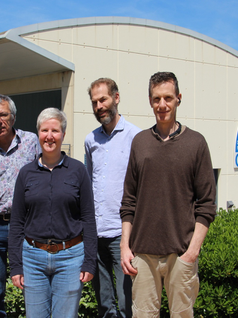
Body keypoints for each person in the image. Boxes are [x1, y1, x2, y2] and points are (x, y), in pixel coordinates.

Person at [120, 72, 217, 318]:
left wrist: (192, 252)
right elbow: (129, 200)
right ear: (150, 101)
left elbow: (206, 205)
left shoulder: (196, 143)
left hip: (181, 253)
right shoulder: (140, 142)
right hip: (142, 254)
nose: (162, 105)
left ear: (178, 99)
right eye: (156, 99)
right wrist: (125, 246)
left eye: (168, 98)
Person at [8, 108, 97, 318]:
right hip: (33, 258)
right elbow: (17, 222)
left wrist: (89, 261)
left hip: (71, 257)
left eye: (55, 131)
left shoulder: (78, 171)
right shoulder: (26, 173)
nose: (49, 136)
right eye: (44, 130)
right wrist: (16, 265)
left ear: (63, 134)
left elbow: (88, 219)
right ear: (38, 133)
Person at [0, 94, 40, 318]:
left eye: (3, 114)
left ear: (12, 117)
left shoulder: (31, 142)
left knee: (33, 287)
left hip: (26, 226)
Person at [84, 78, 140, 318]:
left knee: (128, 303)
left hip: (123, 235)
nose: (99, 106)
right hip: (96, 234)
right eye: (94, 102)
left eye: (103, 99)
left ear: (116, 98)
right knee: (105, 305)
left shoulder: (136, 137)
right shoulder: (90, 141)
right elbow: (88, 186)